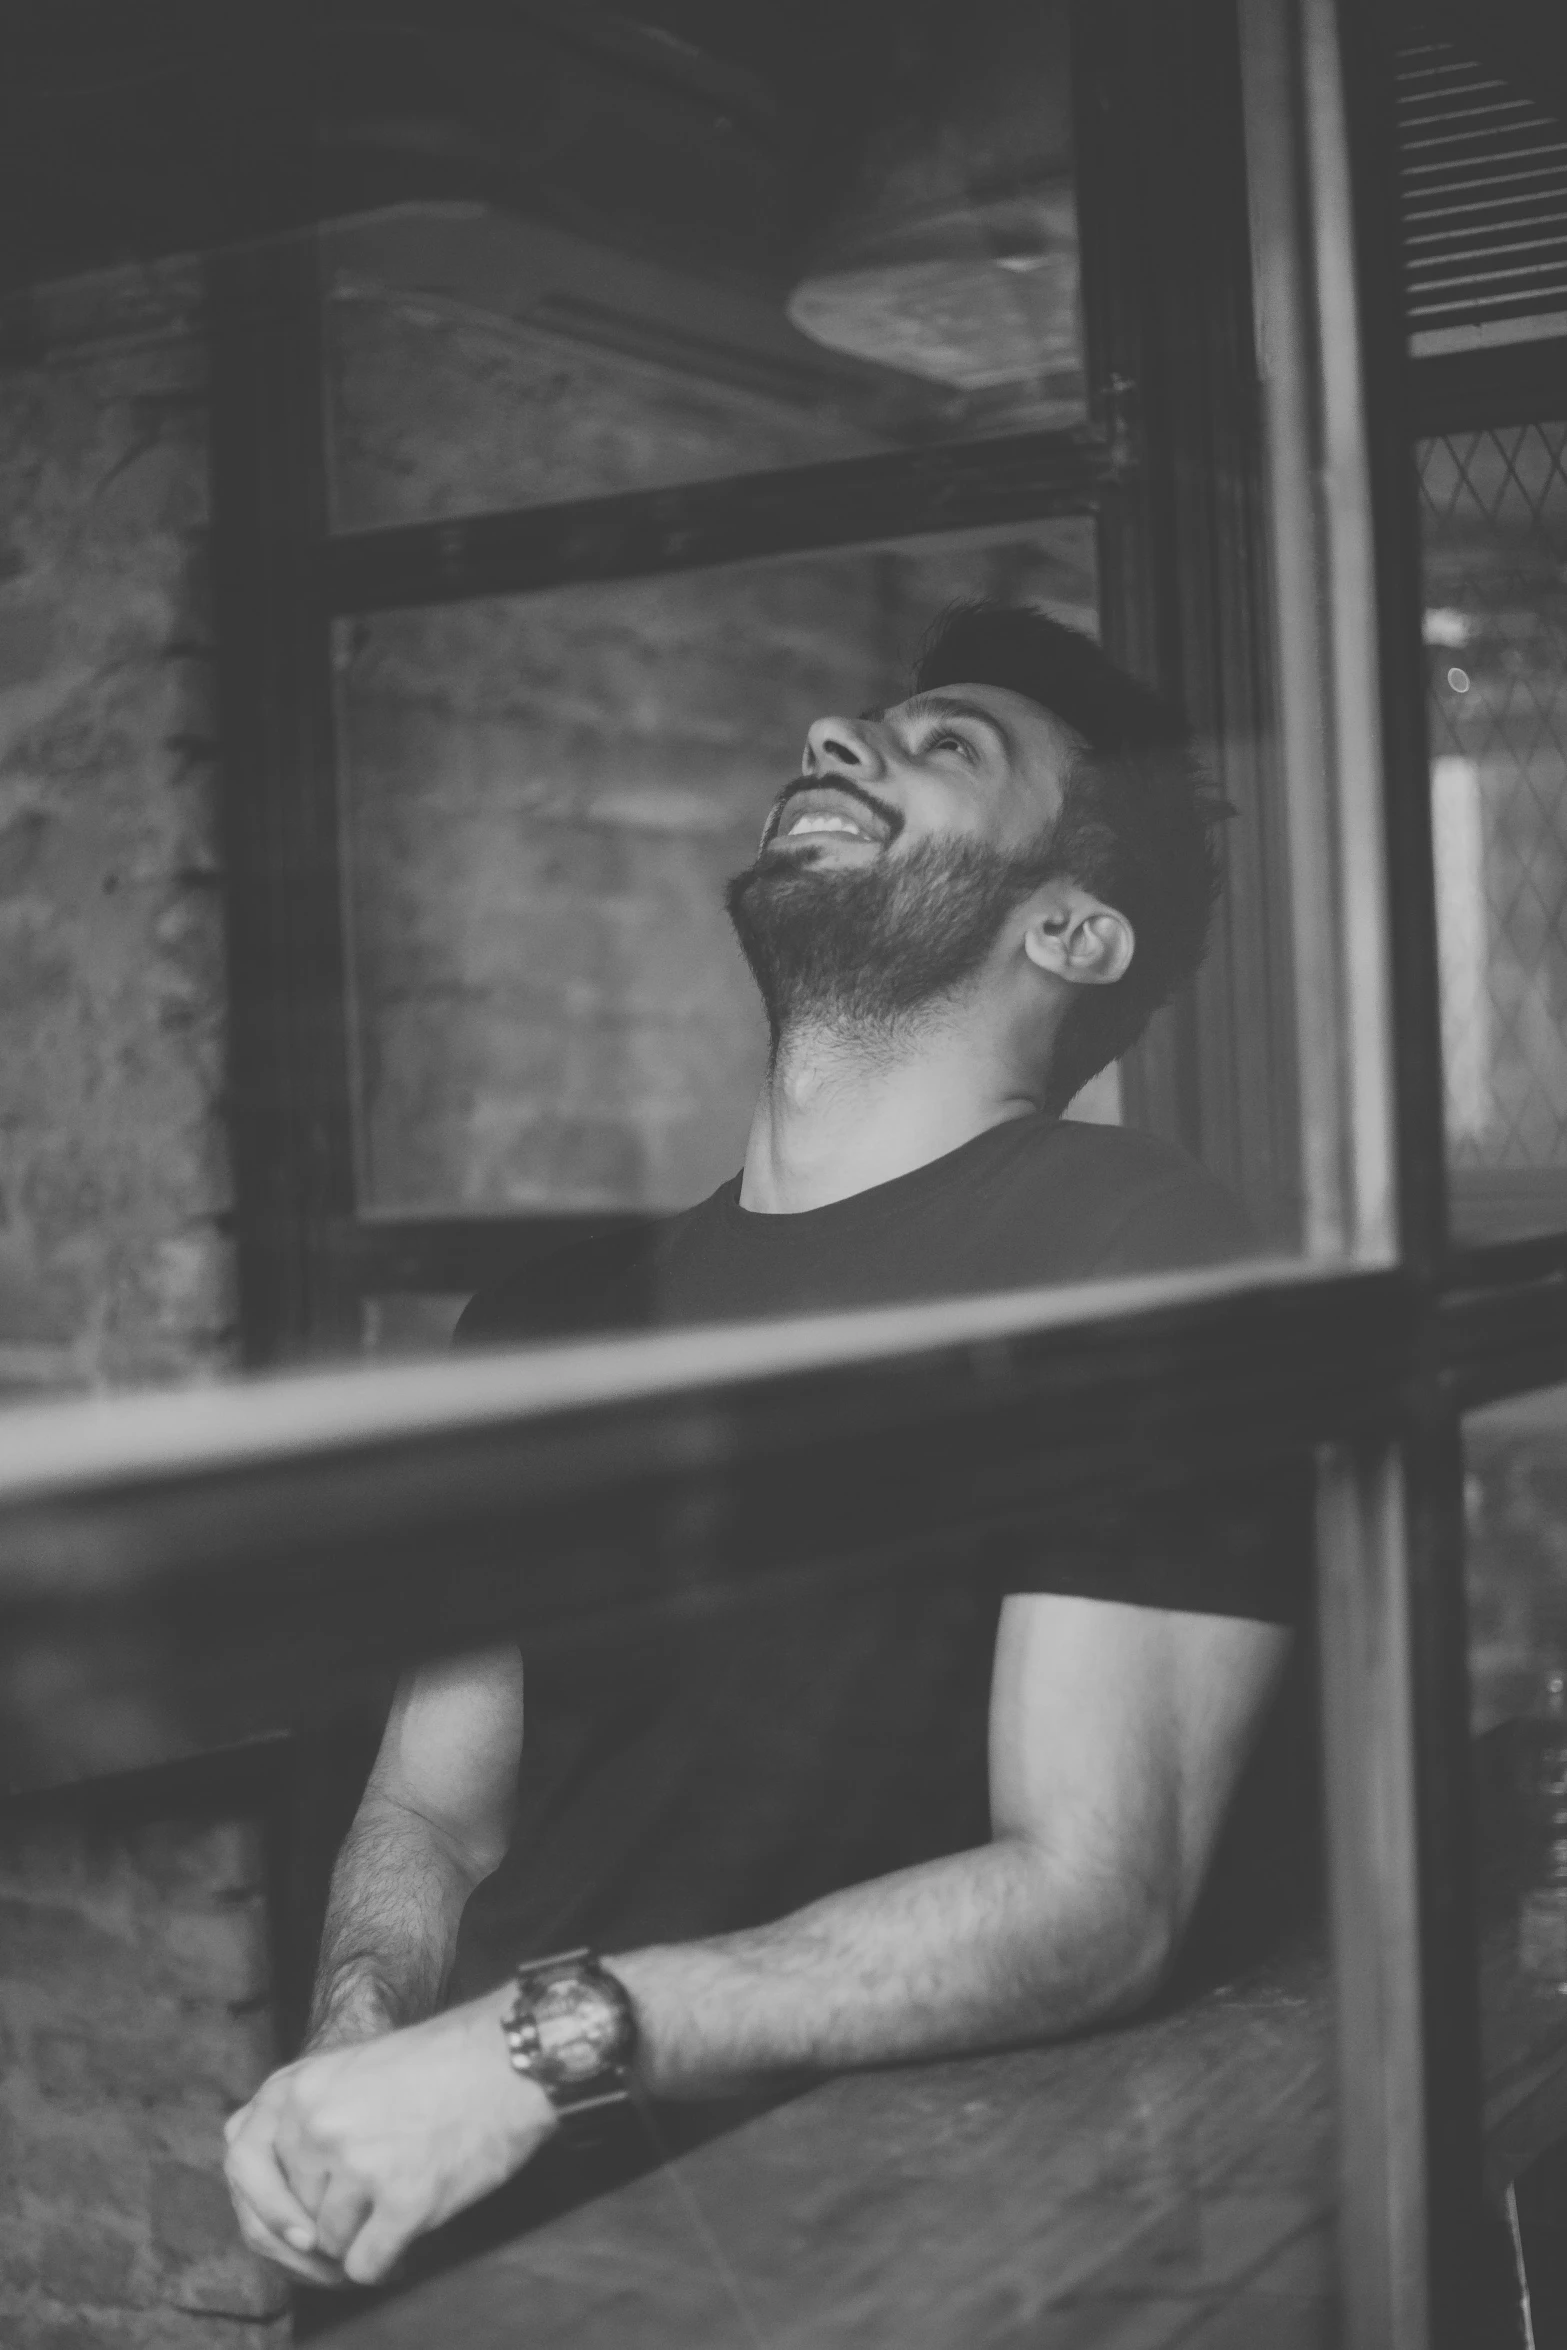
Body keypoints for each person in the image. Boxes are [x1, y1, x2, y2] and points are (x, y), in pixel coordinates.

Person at [224, 602, 1313, 2290]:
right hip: (470, 2231)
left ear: (1077, 930)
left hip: (859, 2252)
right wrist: (347, 2072)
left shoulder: (1140, 1259)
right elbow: (433, 1808)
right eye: (851, 725)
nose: (835, 740)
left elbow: (1100, 1892)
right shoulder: (540, 1322)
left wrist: (528, 2046)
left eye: (945, 744)